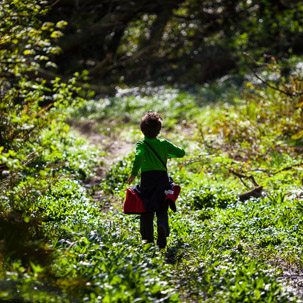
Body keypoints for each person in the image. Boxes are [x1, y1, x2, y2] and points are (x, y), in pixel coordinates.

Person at [127, 112, 185, 248]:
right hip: (162, 179)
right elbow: (181, 152)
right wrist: (167, 153)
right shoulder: (164, 143)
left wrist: (134, 173)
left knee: (146, 209)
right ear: (159, 130)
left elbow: (139, 156)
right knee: (162, 208)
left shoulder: (141, 144)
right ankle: (162, 226)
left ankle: (147, 239)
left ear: (142, 131)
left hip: (147, 180)